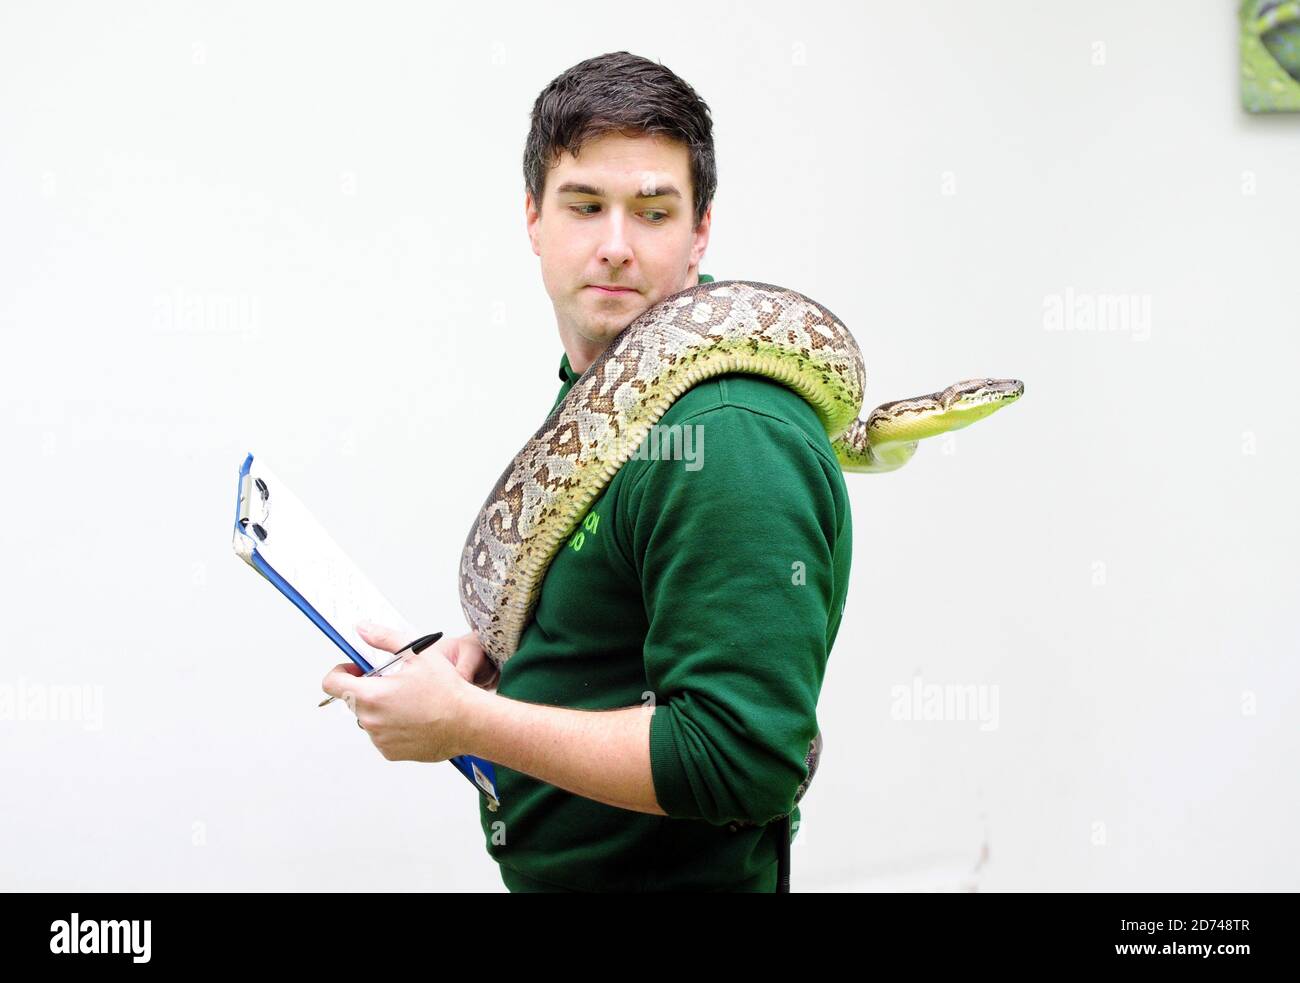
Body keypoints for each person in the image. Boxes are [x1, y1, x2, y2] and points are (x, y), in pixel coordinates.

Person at [322, 51, 853, 892]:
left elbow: (739, 761)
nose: (614, 245)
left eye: (652, 211)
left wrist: (469, 721)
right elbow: (609, 642)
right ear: (532, 218)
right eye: (584, 205)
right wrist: (490, 666)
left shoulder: (727, 432)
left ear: (700, 228)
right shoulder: (606, 397)